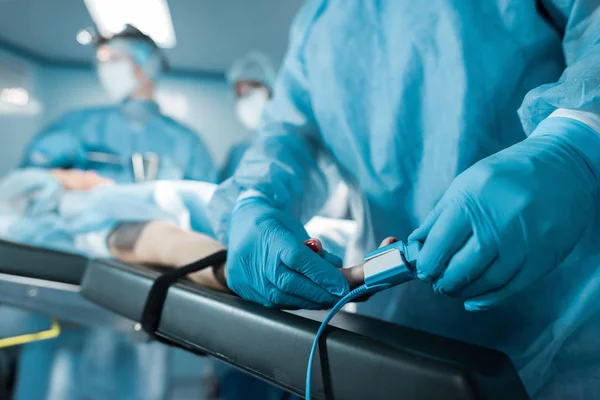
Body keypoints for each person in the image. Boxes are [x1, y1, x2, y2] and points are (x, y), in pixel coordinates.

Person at [209, 1, 600, 398]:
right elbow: (289, 137)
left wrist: (578, 141)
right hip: (389, 339)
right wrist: (255, 201)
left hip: (566, 339)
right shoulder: (322, 20)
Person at [21, 25, 218, 184]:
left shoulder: (186, 142)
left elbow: (204, 206)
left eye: (113, 60)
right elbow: (26, 181)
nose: (104, 70)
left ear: (145, 67)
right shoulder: (78, 123)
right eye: (101, 62)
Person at [220, 52, 276, 181]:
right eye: (240, 94)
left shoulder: (288, 146)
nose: (245, 101)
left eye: (251, 91)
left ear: (271, 93)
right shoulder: (238, 153)